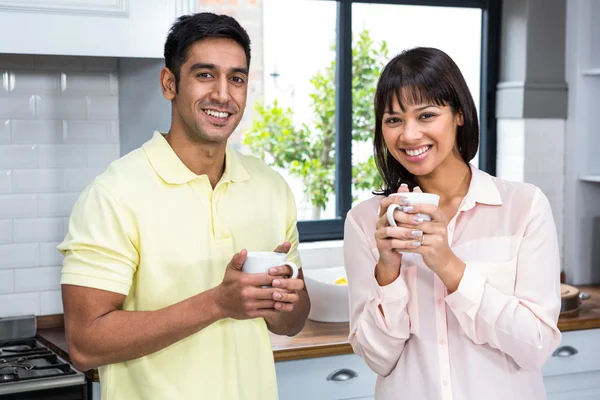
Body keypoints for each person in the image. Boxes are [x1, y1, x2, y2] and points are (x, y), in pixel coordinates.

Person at [58, 12, 310, 400]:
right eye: (205, 75)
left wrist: (279, 300)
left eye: (236, 78)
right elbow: (85, 344)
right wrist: (217, 303)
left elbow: (291, 323)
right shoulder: (113, 194)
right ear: (169, 83)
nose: (224, 95)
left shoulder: (272, 188)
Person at [343, 47, 561, 400]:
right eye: (393, 119)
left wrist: (449, 266)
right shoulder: (366, 222)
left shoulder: (524, 207)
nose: (409, 135)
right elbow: (378, 359)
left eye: (426, 115)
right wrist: (388, 269)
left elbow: (536, 345)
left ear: (459, 114)